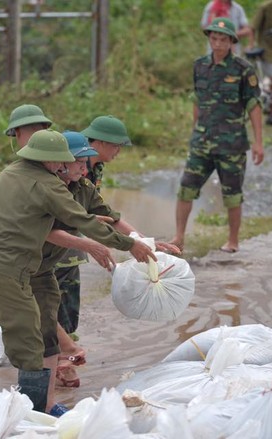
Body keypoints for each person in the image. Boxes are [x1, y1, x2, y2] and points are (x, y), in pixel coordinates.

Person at [0, 129, 156, 424]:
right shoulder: (48, 184)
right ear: (48, 159)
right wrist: (129, 245)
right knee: (29, 344)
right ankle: (33, 417)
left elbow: (50, 215)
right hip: (10, 269)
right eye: (61, 161)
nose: (64, 166)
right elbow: (81, 220)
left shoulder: (9, 173)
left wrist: (131, 236)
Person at [48, 132, 181, 395]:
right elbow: (54, 230)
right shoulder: (48, 188)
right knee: (38, 314)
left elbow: (110, 218)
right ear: (61, 162)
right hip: (32, 260)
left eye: (87, 163)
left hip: (63, 258)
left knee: (62, 314)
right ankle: (58, 367)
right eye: (80, 163)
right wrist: (98, 244)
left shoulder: (82, 186)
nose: (85, 169)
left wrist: (146, 242)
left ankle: (57, 370)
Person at [170, 18, 264, 254]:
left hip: (231, 144)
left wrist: (258, 142)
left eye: (223, 39)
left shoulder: (243, 70)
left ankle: (233, 240)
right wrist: (194, 131)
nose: (218, 43)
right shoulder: (200, 66)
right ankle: (179, 237)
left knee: (232, 195)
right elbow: (197, 100)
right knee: (186, 188)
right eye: (214, 38)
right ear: (209, 39)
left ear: (232, 41)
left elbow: (253, 105)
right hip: (202, 142)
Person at [80, 115, 132, 190]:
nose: (118, 151)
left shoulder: (98, 167)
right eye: (116, 146)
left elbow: (95, 198)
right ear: (103, 142)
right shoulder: (75, 166)